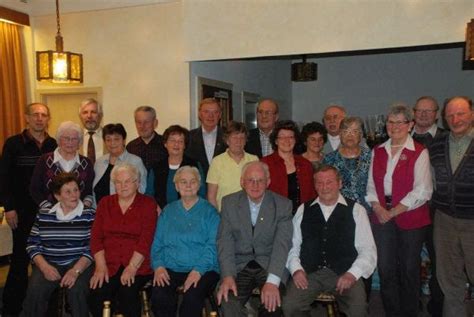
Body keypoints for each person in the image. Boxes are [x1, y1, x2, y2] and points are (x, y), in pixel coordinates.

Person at [366, 103, 433, 317]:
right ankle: (392, 312)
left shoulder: (419, 152)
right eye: (390, 122)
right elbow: (370, 185)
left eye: (400, 122)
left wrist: (393, 211)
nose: (394, 126)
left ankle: (410, 312)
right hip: (381, 216)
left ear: (410, 125)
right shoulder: (378, 151)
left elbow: (423, 190)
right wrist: (377, 207)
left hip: (410, 217)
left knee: (409, 270)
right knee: (386, 269)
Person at [283, 165, 377, 317]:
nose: (324, 187)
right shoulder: (303, 209)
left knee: (358, 309)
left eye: (329, 182)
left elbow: (368, 250)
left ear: (339, 183)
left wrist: (352, 274)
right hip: (309, 273)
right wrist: (296, 269)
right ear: (314, 185)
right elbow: (292, 245)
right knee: (290, 306)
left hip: (344, 272)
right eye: (319, 183)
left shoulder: (357, 210)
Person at [0, 103, 57, 316]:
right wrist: (9, 208)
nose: (39, 119)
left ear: (48, 119)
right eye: (35, 115)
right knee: (20, 262)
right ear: (26, 118)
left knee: (48, 259)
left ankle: (48, 309)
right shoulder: (14, 144)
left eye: (44, 115)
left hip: (49, 213)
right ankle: (12, 310)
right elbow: (3, 178)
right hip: (22, 213)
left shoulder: (54, 144)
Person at [217, 161, 293, 316]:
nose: (255, 185)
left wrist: (272, 282)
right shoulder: (229, 203)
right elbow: (225, 242)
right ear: (242, 182)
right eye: (250, 180)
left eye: (260, 180)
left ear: (268, 182)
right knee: (227, 302)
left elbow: (282, 245)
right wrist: (228, 275)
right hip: (239, 266)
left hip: (269, 264)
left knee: (273, 305)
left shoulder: (283, 205)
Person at [21, 173, 95, 317]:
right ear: (57, 195)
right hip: (49, 262)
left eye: (76, 190)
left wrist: (76, 271)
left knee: (77, 291)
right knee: (35, 291)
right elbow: (32, 244)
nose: (74, 195)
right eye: (68, 191)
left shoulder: (89, 214)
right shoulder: (44, 213)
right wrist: (44, 266)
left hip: (79, 262)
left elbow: (92, 247)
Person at [150, 166, 220, 317]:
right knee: (159, 295)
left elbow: (213, 246)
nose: (188, 185)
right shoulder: (168, 211)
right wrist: (159, 266)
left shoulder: (210, 212)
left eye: (192, 181)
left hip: (204, 268)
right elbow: (157, 243)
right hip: (171, 266)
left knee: (192, 297)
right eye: (183, 182)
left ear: (199, 184)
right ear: (176, 186)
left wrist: (198, 271)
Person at [89, 163, 157, 317]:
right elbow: (96, 237)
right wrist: (100, 266)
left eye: (127, 181)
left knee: (128, 293)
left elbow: (146, 239)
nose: (122, 186)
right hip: (108, 263)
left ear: (137, 183)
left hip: (138, 265)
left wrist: (132, 267)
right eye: (118, 182)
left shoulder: (148, 203)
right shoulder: (105, 203)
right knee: (96, 293)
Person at [430, 96, 474, 317]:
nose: (456, 119)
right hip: (444, 220)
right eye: (451, 115)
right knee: (449, 281)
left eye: (461, 113)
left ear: (472, 114)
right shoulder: (437, 143)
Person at [412, 95, 445, 317]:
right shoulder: (401, 136)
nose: (423, 114)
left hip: (439, 211)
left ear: (436, 114)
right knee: (408, 260)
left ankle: (437, 307)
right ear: (413, 113)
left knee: (439, 261)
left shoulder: (447, 138)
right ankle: (411, 306)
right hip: (410, 211)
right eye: (419, 110)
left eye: (429, 111)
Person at [30, 121, 94, 209]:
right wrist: (49, 209)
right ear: (59, 140)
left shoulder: (87, 163)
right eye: (66, 138)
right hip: (50, 214)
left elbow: (89, 191)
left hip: (79, 216)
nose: (70, 142)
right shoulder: (44, 161)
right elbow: (35, 189)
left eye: (74, 139)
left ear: (79, 142)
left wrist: (83, 208)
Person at [261, 120, 315, 213]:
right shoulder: (265, 163)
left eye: (290, 137)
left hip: (302, 216)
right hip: (274, 216)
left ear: (295, 140)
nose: (287, 141)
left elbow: (312, 194)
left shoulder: (305, 164)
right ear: (276, 141)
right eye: (282, 137)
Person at [148, 125, 205, 209]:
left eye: (180, 141)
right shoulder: (157, 167)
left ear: (185, 145)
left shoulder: (194, 165)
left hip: (190, 212)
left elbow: (202, 192)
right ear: (165, 144)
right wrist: (156, 209)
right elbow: (149, 194)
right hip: (162, 214)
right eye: (172, 140)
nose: (176, 144)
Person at [323, 117, 371, 211]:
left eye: (354, 131)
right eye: (345, 131)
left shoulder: (371, 156)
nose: (350, 135)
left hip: (367, 210)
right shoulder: (329, 159)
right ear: (340, 135)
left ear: (361, 136)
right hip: (338, 210)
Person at [207, 121, 258, 210]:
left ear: (246, 141)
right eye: (234, 137)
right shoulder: (217, 162)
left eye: (242, 138)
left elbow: (259, 189)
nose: (238, 141)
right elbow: (211, 196)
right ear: (227, 140)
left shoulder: (254, 160)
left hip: (249, 213)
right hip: (224, 215)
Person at [93, 123, 147, 204]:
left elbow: (141, 189)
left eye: (116, 139)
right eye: (108, 140)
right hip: (100, 212)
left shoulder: (135, 161)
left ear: (124, 140)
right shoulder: (99, 162)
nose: (112, 143)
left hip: (125, 212)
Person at [185, 98, 227, 176]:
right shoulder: (189, 137)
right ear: (200, 114)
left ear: (220, 115)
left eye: (215, 112)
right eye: (206, 112)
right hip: (197, 185)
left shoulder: (229, 136)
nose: (210, 116)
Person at [126, 105, 167, 173]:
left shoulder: (166, 145)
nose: (142, 126)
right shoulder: (130, 147)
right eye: (139, 122)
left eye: (146, 122)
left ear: (155, 123)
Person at [79, 98, 104, 164]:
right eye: (85, 112)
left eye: (93, 112)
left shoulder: (108, 136)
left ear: (100, 115)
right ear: (80, 116)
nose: (89, 116)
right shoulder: (75, 138)